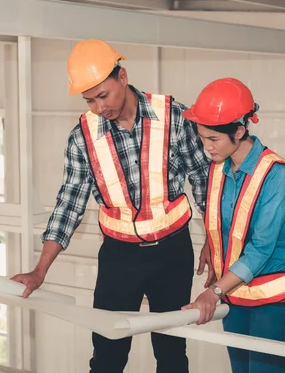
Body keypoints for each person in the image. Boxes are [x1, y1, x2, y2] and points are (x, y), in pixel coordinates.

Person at [11, 39, 211, 373]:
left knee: (172, 352)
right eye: (89, 100)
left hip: (173, 253)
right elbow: (69, 205)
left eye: (103, 95)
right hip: (120, 258)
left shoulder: (174, 116)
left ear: (122, 77)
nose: (99, 107)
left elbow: (204, 180)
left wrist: (213, 241)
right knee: (107, 354)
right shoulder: (82, 137)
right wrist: (39, 270)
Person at [181, 78, 285, 373]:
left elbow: (261, 248)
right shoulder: (219, 166)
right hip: (236, 298)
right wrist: (211, 244)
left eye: (213, 139)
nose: (206, 147)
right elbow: (225, 219)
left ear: (239, 130)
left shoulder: (278, 176)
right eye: (202, 138)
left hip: (273, 303)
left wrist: (214, 292)